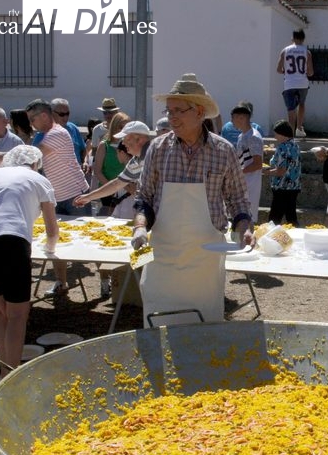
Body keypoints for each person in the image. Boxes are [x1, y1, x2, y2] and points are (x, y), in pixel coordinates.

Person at [132, 73, 254, 325]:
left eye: (179, 110)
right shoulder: (158, 148)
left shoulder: (223, 151)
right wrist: (140, 227)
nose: (171, 117)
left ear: (199, 112)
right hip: (162, 254)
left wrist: (245, 229)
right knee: (158, 321)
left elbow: (238, 200)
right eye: (169, 110)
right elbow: (144, 196)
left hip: (205, 259)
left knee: (204, 330)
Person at [0, 146, 58, 377]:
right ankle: (12, 375)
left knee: (0, 311)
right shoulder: (39, 179)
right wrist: (51, 248)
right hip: (12, 238)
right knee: (18, 313)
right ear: (35, 163)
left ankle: (3, 371)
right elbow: (51, 228)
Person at [25, 99, 90, 297]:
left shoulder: (58, 133)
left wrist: (3, 157)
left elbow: (31, 157)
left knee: (89, 240)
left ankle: (107, 280)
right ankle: (61, 282)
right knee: (55, 241)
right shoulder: (44, 134)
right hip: (57, 196)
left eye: (32, 119)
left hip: (75, 196)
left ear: (44, 116)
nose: (31, 124)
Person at [74, 121, 155, 220]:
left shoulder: (155, 155)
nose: (123, 143)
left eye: (125, 139)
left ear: (138, 139)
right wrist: (88, 197)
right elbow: (116, 184)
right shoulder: (135, 161)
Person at [91, 111, 130, 216]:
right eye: (121, 127)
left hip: (127, 190)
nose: (124, 131)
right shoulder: (104, 145)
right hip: (108, 190)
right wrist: (111, 189)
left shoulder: (130, 145)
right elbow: (98, 171)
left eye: (126, 128)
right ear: (114, 127)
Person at [276, 28, 314, 137]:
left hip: (289, 83)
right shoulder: (307, 52)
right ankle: (299, 128)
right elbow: (311, 72)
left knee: (291, 110)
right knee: (301, 104)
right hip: (302, 83)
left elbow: (278, 69)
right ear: (303, 38)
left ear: (292, 38)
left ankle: (290, 135)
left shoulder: (285, 51)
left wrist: (286, 71)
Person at [231, 102, 264, 223]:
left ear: (242, 118)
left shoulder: (253, 137)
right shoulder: (242, 136)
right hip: (242, 181)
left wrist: (238, 172)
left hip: (250, 182)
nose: (232, 121)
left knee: (248, 215)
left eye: (233, 118)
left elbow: (257, 163)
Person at [266, 120, 301, 226]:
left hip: (282, 187)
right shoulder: (295, 145)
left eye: (276, 134)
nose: (275, 136)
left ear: (282, 133)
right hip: (294, 186)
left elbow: (281, 171)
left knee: (274, 219)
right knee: (291, 216)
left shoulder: (282, 147)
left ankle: (270, 238)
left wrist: (267, 172)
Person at [50, 98, 88, 166]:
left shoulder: (73, 128)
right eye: (61, 114)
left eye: (67, 113)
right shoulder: (43, 132)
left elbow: (83, 149)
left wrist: (85, 162)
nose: (65, 117)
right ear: (52, 113)